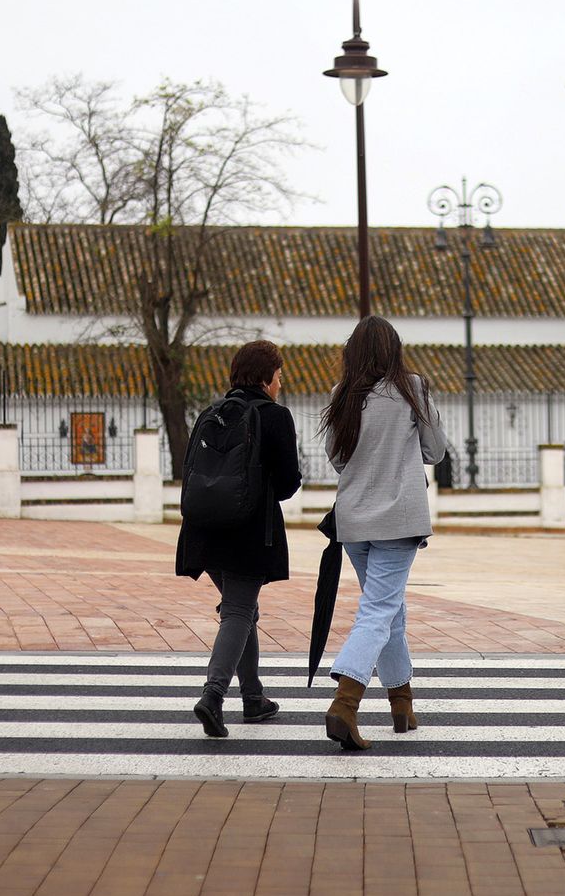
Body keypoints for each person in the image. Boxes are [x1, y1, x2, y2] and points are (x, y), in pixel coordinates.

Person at [320, 316, 449, 751]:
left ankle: (401, 702)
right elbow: (435, 451)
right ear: (394, 349)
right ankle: (345, 701)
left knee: (388, 607)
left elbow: (337, 459)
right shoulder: (413, 388)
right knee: (378, 610)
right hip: (399, 519)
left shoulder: (342, 394)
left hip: (353, 520)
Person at [175, 339, 302, 738]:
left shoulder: (210, 413)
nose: (280, 385)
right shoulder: (274, 416)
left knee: (244, 610)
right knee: (238, 611)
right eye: (279, 377)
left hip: (203, 532)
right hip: (247, 535)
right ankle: (213, 696)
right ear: (266, 379)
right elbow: (287, 485)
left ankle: (253, 698)